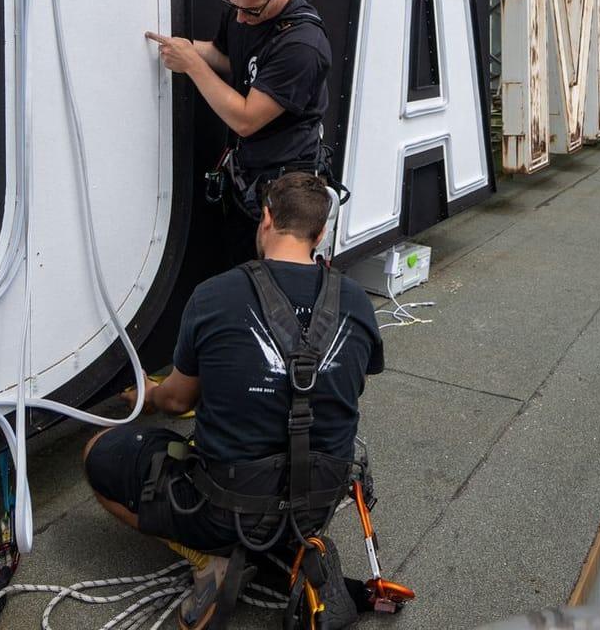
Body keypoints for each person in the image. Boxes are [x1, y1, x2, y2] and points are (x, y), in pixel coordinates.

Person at [82, 173, 384, 629]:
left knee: (97, 453)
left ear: (265, 219)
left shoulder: (214, 295)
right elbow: (350, 386)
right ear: (320, 235)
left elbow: (177, 398)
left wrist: (145, 393)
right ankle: (286, 552)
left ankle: (210, 558)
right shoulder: (357, 300)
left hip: (226, 511)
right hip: (315, 506)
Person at [145, 0, 333, 223]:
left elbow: (247, 120)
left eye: (252, 10)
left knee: (268, 268)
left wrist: (192, 64)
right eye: (232, 3)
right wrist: (183, 47)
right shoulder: (241, 6)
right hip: (246, 172)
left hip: (285, 188)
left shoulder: (302, 46)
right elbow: (232, 60)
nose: (240, 18)